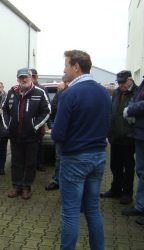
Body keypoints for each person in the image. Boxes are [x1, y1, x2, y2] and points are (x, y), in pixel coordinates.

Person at [52, 50, 111, 250]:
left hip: (75, 158)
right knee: (93, 210)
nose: (64, 69)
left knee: (70, 212)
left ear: (76, 67)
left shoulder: (69, 93)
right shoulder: (104, 92)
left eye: (66, 65)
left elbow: (58, 134)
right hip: (99, 157)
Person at [3, 68, 50, 200]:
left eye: (26, 77)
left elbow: (46, 111)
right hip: (15, 135)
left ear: (31, 77)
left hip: (32, 136)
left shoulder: (39, 92)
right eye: (21, 77)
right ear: (17, 79)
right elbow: (5, 109)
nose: (24, 79)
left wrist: (35, 126)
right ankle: (16, 185)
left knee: (30, 162)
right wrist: (8, 125)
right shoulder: (12, 92)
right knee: (16, 162)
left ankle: (26, 187)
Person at [101, 70, 136, 204]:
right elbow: (112, 112)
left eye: (123, 82)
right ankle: (115, 189)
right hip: (115, 136)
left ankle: (127, 193)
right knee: (115, 165)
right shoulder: (116, 93)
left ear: (130, 80)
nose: (121, 84)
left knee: (128, 166)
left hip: (129, 137)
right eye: (119, 82)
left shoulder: (137, 92)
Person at [122, 75, 144, 225]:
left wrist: (130, 110)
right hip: (139, 133)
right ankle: (141, 206)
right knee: (141, 171)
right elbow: (136, 99)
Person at [45, 77, 70, 191]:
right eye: (66, 82)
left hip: (75, 134)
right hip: (60, 132)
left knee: (72, 160)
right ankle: (57, 181)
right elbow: (51, 111)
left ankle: (68, 182)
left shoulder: (81, 93)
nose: (67, 84)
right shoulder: (60, 94)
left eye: (69, 81)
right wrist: (52, 127)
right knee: (59, 158)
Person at [31, 68, 49, 172]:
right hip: (27, 122)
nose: (32, 78)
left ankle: (39, 163)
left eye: (34, 76)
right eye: (31, 76)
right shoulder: (24, 88)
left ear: (36, 77)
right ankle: (30, 164)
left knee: (39, 144)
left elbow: (47, 106)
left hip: (39, 121)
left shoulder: (42, 89)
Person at [0, 80, 9, 175]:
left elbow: (10, 112)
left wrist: (2, 112)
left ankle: (1, 168)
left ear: (3, 87)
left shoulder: (8, 98)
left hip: (4, 129)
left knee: (3, 149)